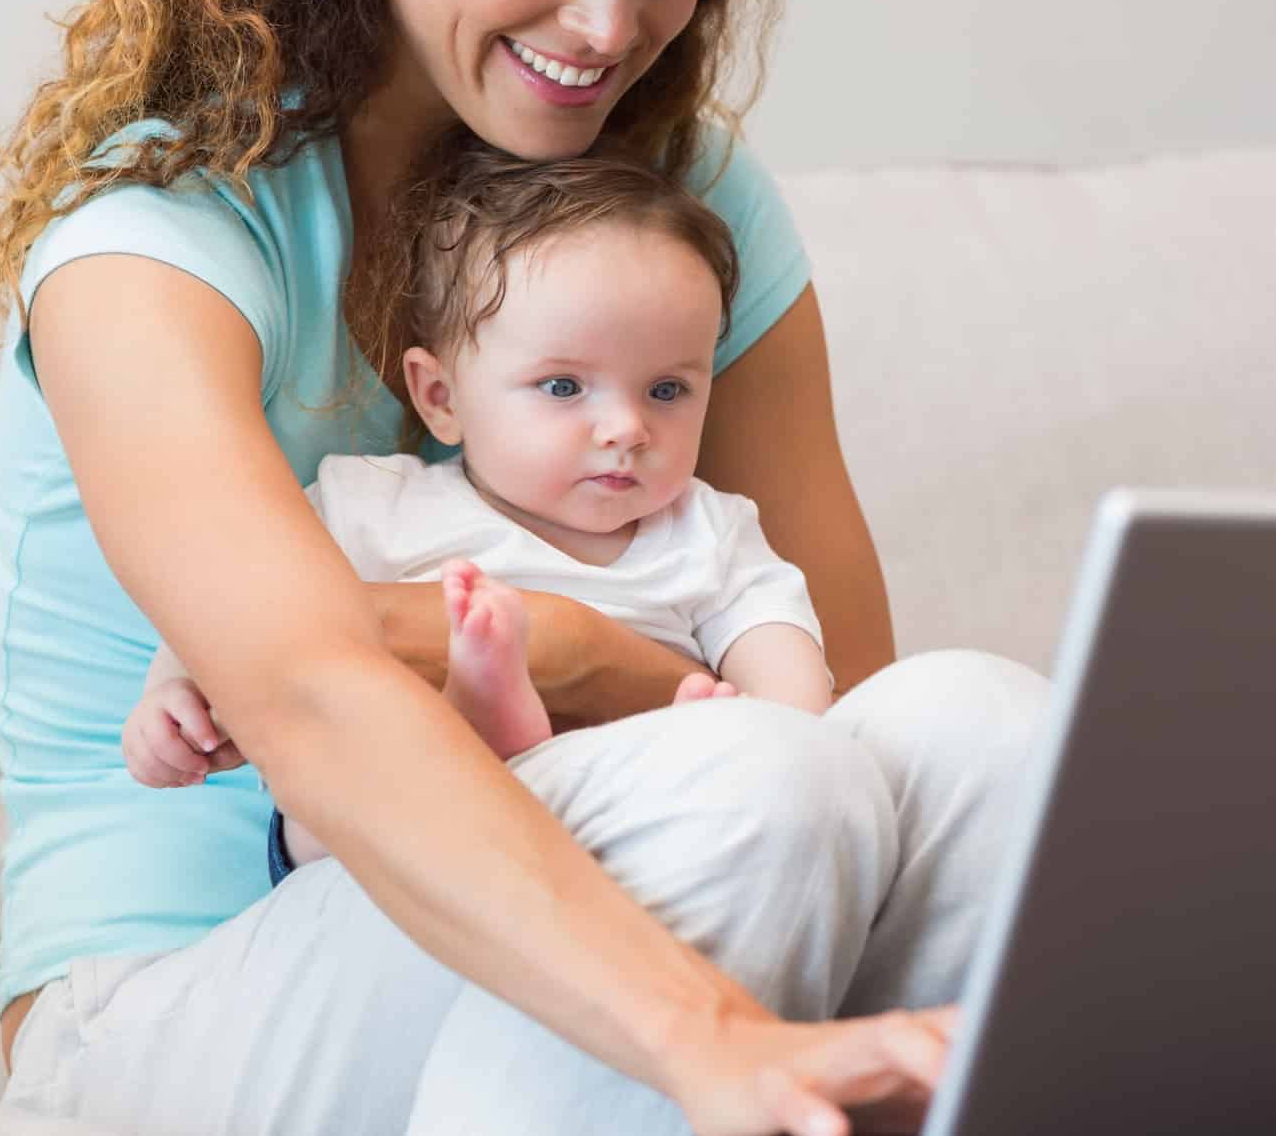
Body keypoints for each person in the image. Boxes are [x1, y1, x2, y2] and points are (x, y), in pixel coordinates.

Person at [0, 0, 1051, 1131]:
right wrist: (698, 1016)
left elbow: (850, 706)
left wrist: (591, 659)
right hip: (175, 992)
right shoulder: (155, 242)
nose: (608, 25)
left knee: (984, 731)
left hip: (658, 850)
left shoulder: (679, 203)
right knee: (755, 786)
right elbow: (311, 698)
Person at [122, 140, 836, 871]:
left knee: (705, 794)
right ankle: (479, 714)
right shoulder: (376, 508)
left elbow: (792, 681)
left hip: (615, 836)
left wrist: (753, 733)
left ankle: (511, 729)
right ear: (441, 398)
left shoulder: (708, 535)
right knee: (332, 793)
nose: (628, 428)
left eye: (667, 390)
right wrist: (174, 694)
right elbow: (226, 606)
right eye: (563, 387)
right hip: (404, 853)